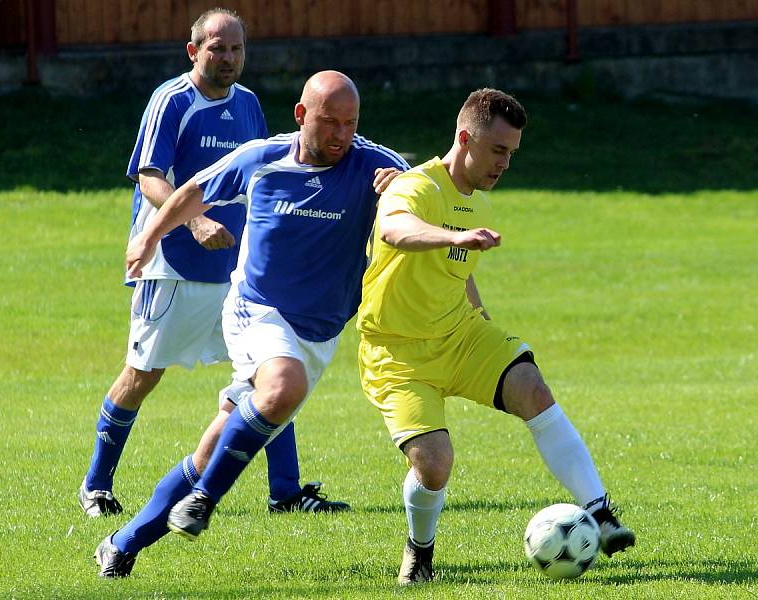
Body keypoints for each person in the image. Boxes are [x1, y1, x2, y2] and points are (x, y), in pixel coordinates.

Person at [92, 70, 408, 577]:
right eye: (329, 122)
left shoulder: (374, 164)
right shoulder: (262, 158)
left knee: (214, 446)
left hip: (318, 332)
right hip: (254, 310)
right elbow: (193, 191)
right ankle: (204, 503)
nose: (341, 135)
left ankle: (123, 542)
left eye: (350, 123)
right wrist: (150, 236)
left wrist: (403, 190)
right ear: (301, 115)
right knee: (283, 386)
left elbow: (422, 200)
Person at [355, 88, 637, 585]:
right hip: (396, 352)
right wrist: (452, 236)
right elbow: (397, 229)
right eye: (498, 151)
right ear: (465, 138)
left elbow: (458, 272)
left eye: (512, 153)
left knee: (534, 389)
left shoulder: (479, 205)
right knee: (435, 465)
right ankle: (420, 552)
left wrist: (480, 316)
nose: (505, 163)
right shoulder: (415, 188)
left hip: (460, 335)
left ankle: (601, 513)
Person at [79, 8, 348, 519]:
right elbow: (150, 175)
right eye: (217, 48)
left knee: (270, 372)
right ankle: (96, 484)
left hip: (235, 273)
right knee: (143, 373)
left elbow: (268, 174)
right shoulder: (173, 100)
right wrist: (195, 223)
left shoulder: (247, 104)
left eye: (236, 49)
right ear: (193, 51)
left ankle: (285, 491)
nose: (227, 58)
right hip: (174, 264)